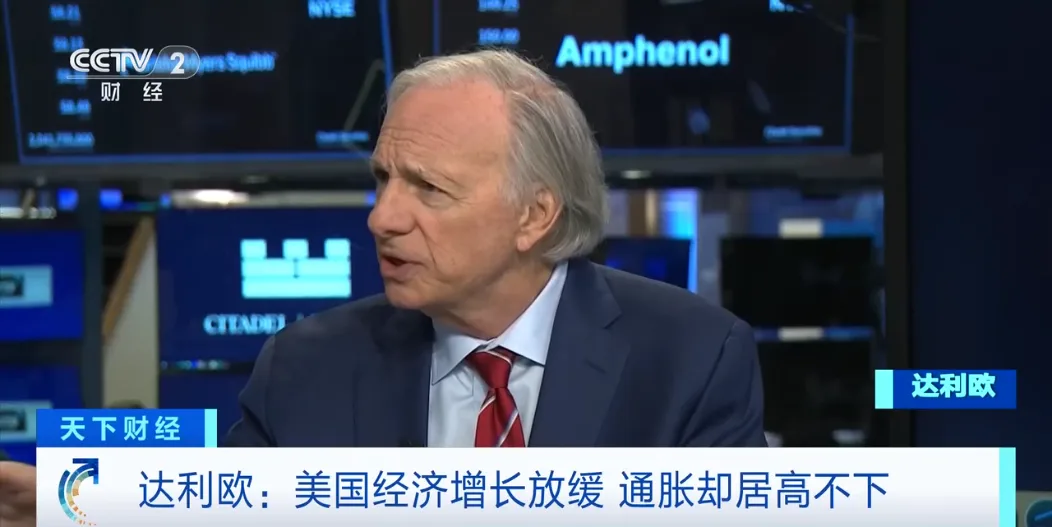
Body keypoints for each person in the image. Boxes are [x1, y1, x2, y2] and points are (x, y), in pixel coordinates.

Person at [0, 49, 766, 525]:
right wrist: (83, 508)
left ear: (534, 216)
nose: (382, 217)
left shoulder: (691, 359)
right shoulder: (308, 365)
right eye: (382, 179)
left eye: (428, 188)